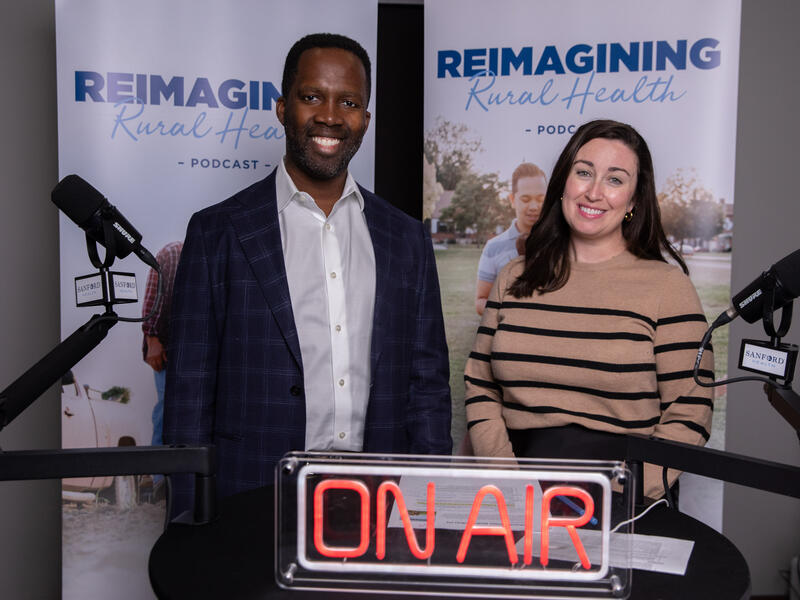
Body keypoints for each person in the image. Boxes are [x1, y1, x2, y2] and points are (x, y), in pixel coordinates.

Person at [165, 33, 451, 516]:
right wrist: (189, 522)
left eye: (350, 102)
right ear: (282, 108)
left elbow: (427, 387)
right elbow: (188, 395)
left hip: (380, 503)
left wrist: (425, 504)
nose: (331, 116)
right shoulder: (218, 232)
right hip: (249, 495)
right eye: (312, 96)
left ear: (365, 118)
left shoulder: (406, 239)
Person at [464, 119, 714, 499]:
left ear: (633, 200)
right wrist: (505, 480)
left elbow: (690, 410)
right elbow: (481, 385)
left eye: (615, 179)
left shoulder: (668, 287)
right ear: (564, 182)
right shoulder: (514, 277)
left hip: (624, 499)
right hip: (515, 493)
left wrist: (625, 494)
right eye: (584, 173)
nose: (594, 192)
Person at [475, 162, 547, 315]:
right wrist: (511, 311)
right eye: (526, 199)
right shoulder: (492, 247)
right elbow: (481, 301)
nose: (534, 206)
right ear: (513, 200)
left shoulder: (562, 243)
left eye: (541, 199)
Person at [141, 240, 183, 448]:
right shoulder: (172, 253)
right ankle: (160, 478)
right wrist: (152, 339)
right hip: (170, 350)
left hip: (203, 352)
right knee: (167, 412)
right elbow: (153, 302)